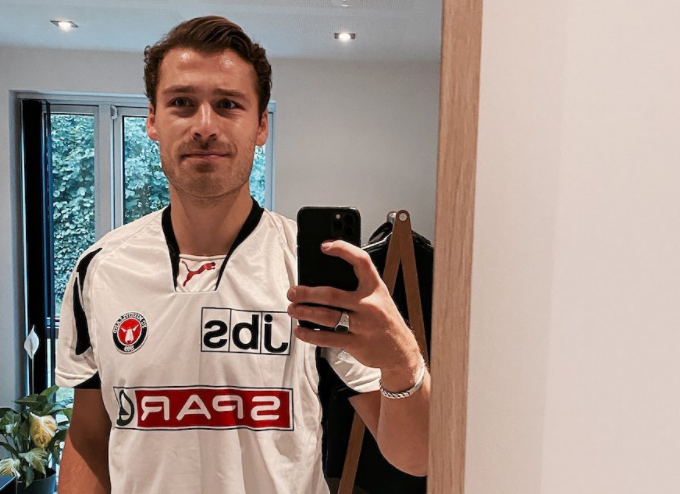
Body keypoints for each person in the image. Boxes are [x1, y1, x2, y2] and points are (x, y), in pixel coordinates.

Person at [55, 16, 430, 494]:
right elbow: (89, 438)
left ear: (261, 125)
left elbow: (417, 457)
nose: (204, 126)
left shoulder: (308, 271)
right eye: (182, 103)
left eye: (228, 104)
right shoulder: (100, 269)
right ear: (152, 120)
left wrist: (402, 361)